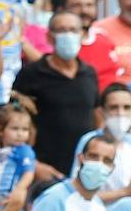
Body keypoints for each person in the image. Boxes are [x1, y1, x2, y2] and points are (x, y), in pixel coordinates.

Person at [10, 9, 97, 178]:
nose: (68, 35)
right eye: (61, 30)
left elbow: (96, 115)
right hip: (44, 171)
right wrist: (34, 166)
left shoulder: (89, 73)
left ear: (82, 35)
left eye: (73, 30)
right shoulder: (31, 74)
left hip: (82, 172)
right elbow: (12, 122)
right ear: (49, 37)